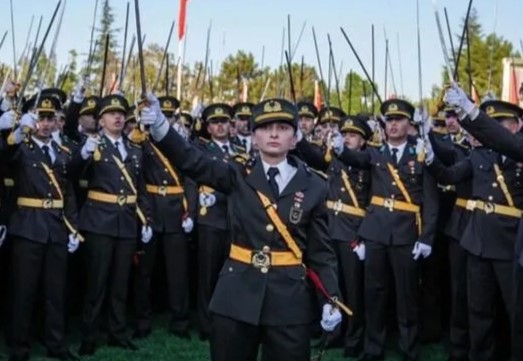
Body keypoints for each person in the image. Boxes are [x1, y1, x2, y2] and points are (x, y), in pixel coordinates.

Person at [140, 94, 342, 361]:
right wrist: (160, 128)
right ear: (253, 137)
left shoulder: (315, 185)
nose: (273, 134)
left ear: (294, 139)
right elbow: (192, 161)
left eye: (282, 128)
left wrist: (332, 297)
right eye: (265, 128)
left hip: (288, 299)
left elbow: (320, 252)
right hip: (236, 294)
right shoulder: (236, 173)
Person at [332, 99, 439, 361]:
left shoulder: (421, 153)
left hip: (406, 233)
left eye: (399, 119)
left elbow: (431, 202)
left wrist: (426, 238)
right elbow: (354, 157)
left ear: (408, 124)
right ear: (383, 125)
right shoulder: (375, 153)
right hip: (376, 232)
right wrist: (339, 149)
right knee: (374, 293)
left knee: (407, 295)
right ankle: (373, 347)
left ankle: (408, 347)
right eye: (389, 120)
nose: (393, 124)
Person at [443, 83, 523, 361]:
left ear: (518, 124)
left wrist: (470, 111)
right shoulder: (482, 153)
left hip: (512, 243)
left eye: (502, 122)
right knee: (478, 310)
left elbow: (509, 143)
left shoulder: (518, 146)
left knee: (516, 314)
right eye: (493, 123)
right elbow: (450, 172)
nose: (497, 129)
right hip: (479, 240)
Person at [70, 94, 152, 356]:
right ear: (101, 119)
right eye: (111, 114)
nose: (118, 118)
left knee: (120, 283)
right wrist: (83, 154)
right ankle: (89, 335)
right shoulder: (92, 145)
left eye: (121, 114)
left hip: (126, 222)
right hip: (99, 220)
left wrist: (146, 219)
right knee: (97, 283)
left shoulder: (135, 148)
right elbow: (70, 174)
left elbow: (141, 188)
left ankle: (117, 332)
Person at [2, 95, 81, 361]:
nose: (46, 124)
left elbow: (68, 193)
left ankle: (56, 344)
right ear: (33, 120)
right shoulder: (21, 148)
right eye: (41, 118)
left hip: (56, 228)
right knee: (24, 290)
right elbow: (4, 156)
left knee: (55, 291)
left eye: (50, 118)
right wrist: (15, 132)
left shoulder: (61, 153)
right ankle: (19, 346)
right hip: (28, 226)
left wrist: (73, 228)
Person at [296, 115, 372, 357]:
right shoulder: (334, 158)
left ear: (362, 141)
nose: (347, 138)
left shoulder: (368, 163)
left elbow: (373, 202)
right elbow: (314, 159)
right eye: (345, 134)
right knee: (330, 288)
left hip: (352, 232)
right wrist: (299, 138)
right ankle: (332, 334)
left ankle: (354, 339)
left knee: (353, 290)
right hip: (330, 228)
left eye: (353, 135)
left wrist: (364, 237)